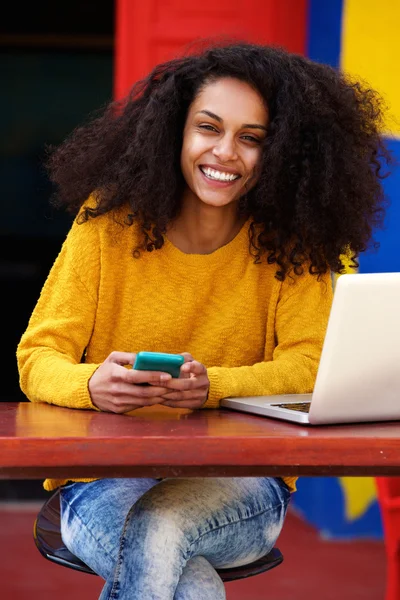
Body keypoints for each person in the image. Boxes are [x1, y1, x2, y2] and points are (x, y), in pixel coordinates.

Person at [17, 42, 389, 599]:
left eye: (251, 138)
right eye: (208, 128)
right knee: (186, 580)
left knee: (162, 525)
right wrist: (92, 384)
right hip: (100, 484)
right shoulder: (106, 226)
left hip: (242, 488)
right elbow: (37, 356)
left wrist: (214, 386)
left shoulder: (295, 245)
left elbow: (311, 366)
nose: (225, 152)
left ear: (283, 151)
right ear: (173, 133)